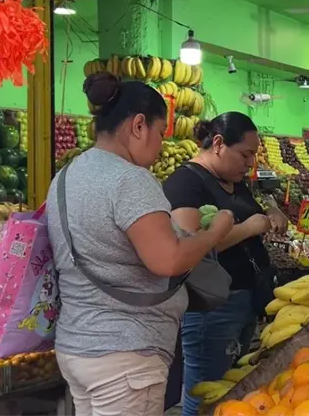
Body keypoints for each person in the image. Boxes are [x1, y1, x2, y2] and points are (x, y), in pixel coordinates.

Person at [47, 73, 234, 416]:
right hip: (124, 354)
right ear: (138, 125)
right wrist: (216, 231)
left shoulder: (67, 176)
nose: (161, 144)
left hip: (77, 345)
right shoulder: (129, 179)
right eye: (160, 132)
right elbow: (168, 261)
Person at [163, 112, 285, 416]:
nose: (250, 162)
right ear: (218, 143)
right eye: (245, 154)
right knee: (204, 390)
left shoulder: (233, 181)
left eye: (253, 155)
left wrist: (272, 212)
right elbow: (189, 246)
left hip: (245, 298)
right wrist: (249, 229)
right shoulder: (185, 183)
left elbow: (252, 210)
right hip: (212, 307)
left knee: (230, 387)